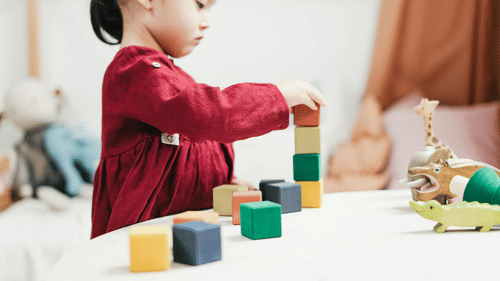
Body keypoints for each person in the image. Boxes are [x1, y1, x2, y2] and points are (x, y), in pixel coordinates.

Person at [89, 0, 326, 238]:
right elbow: (209, 116)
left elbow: (183, 159)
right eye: (200, 5)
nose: (207, 22)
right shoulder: (133, 71)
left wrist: (221, 184)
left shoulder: (168, 76)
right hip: (140, 237)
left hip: (185, 231)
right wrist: (276, 96)